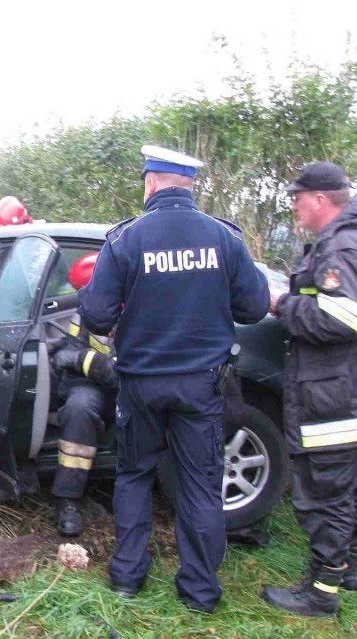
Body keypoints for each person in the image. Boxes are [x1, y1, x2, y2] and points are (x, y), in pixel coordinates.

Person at [78, 145, 269, 613]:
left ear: (151, 183)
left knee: (135, 476)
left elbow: (97, 315)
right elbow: (255, 307)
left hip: (141, 384)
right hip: (201, 385)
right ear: (188, 185)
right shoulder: (223, 238)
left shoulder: (126, 239)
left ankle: (126, 578)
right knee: (201, 483)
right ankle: (201, 592)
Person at [261, 162, 357, 617]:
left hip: (332, 394)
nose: (295, 205)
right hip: (338, 387)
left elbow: (343, 317)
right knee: (342, 486)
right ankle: (349, 571)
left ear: (320, 199)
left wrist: (283, 303)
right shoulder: (340, 240)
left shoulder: (340, 245)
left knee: (325, 491)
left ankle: (321, 595)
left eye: (298, 197)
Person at [52, 252, 118, 536]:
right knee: (79, 408)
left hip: (128, 387)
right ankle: (68, 500)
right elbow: (66, 351)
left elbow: (129, 364)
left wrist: (89, 363)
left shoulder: (138, 308)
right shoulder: (85, 311)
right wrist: (85, 362)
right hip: (91, 386)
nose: (82, 297)